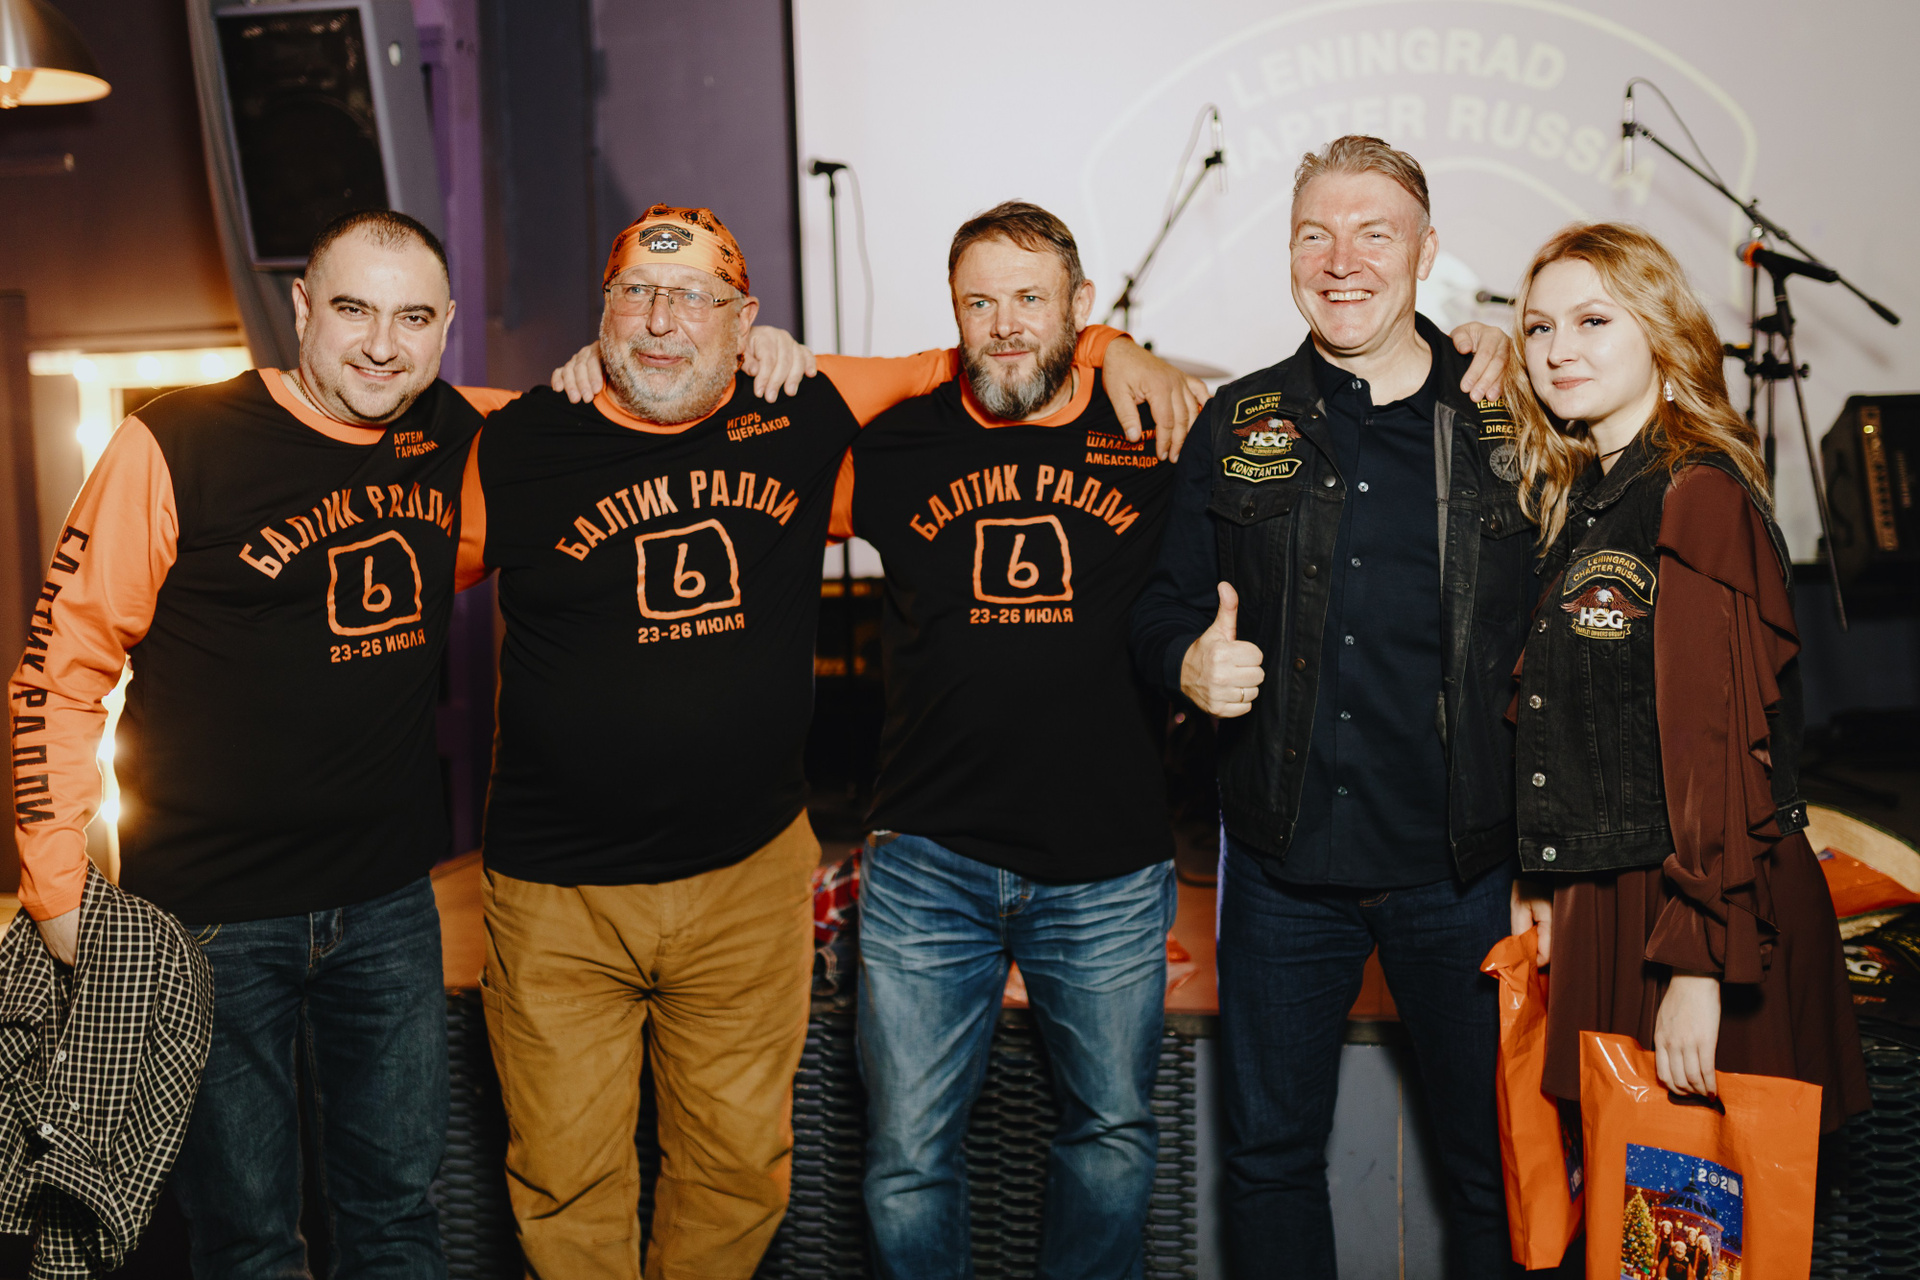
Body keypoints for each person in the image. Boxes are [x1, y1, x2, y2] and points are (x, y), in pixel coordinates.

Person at [463, 203, 1204, 1280]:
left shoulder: (817, 411)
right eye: (638, 294)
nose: (663, 320)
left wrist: (1110, 347)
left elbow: (1007, 364)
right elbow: (383, 423)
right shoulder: (533, 438)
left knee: (749, 1174)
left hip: (808, 878)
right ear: (604, 309)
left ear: (743, 318)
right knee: (604, 1179)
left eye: (695, 298)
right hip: (615, 888)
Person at [10, 210, 482, 1278]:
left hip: (388, 907)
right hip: (210, 922)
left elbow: (610, 417)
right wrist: (56, 885)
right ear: (302, 307)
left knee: (398, 1219)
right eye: (353, 308)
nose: (382, 344)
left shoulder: (452, 431)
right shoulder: (175, 441)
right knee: (246, 1237)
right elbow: (59, 667)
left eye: (413, 318)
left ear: (446, 326)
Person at [1130, 135, 1533, 1277]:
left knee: (1492, 1169)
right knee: (1268, 1162)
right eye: (1316, 233)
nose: (1341, 259)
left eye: (1373, 233)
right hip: (1280, 865)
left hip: (1463, 872)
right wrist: (1186, 665)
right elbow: (1161, 606)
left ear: (1428, 252)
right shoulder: (1239, 419)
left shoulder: (1509, 418)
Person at [1502, 222, 1869, 1134]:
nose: (1558, 350)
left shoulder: (1695, 494)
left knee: (1699, 1204)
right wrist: (1547, 874)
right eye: (1539, 328)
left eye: (1593, 320)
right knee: (1632, 1200)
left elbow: (1716, 751)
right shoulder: (1595, 497)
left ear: (1661, 331)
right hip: (1618, 894)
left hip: (1700, 908)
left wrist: (1702, 963)